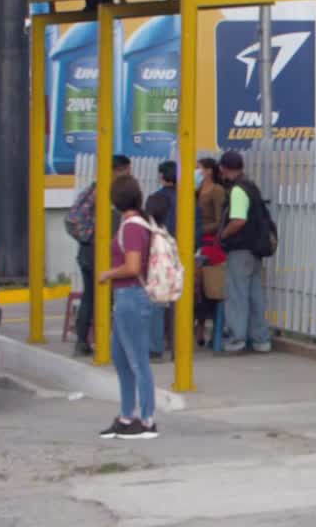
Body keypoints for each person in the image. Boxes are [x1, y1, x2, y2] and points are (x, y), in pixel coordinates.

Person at [96, 174, 159, 440]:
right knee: (121, 358)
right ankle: (126, 415)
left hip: (131, 296)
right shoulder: (139, 223)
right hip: (128, 298)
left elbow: (133, 267)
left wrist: (108, 274)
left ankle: (146, 420)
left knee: (137, 360)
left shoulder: (131, 227)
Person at [69, 155, 132, 356]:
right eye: (127, 170)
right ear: (118, 170)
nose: (129, 175)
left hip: (86, 249)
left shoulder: (91, 189)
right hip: (100, 250)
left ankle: (81, 341)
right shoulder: (109, 193)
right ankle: (106, 344)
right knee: (107, 296)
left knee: (89, 295)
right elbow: (114, 225)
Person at [218, 151, 272, 354]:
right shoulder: (251, 187)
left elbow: (238, 220)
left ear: (224, 168)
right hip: (255, 249)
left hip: (240, 249)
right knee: (255, 295)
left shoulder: (238, 190)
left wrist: (224, 234)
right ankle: (261, 340)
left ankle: (236, 339)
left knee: (237, 295)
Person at [144, 160, 178, 362]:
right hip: (182, 252)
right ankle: (178, 344)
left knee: (157, 299)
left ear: (161, 177)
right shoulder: (189, 199)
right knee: (178, 300)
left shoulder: (156, 199)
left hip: (161, 253)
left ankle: (155, 347)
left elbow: (150, 226)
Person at [195, 157, 227, 346]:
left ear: (208, 171)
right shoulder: (197, 190)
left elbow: (219, 220)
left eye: (199, 169)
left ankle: (212, 330)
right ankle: (198, 327)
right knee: (196, 289)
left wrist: (201, 229)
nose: (197, 172)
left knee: (209, 288)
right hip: (197, 242)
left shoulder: (217, 191)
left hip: (210, 243)